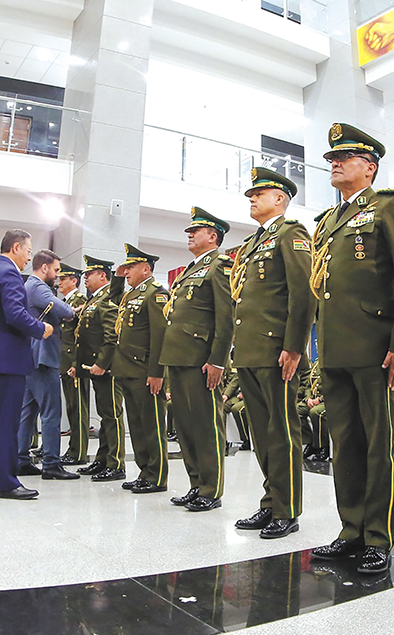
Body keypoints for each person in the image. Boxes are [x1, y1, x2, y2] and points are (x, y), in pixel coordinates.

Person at [307, 123, 394, 574]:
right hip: (335, 350)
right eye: (332, 159)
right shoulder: (328, 221)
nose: (334, 163)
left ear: (369, 166)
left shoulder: (390, 206)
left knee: (378, 444)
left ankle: (378, 536)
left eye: (345, 157)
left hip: (377, 348)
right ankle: (350, 530)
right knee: (346, 444)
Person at [231, 167, 314, 539]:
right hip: (249, 351)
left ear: (279, 198)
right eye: (250, 196)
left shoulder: (291, 233)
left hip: (276, 349)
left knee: (281, 432)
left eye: (258, 194)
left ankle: (287, 508)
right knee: (263, 435)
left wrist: (294, 345)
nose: (251, 199)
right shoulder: (251, 244)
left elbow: (303, 292)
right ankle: (270, 502)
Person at [161, 208, 235, 512]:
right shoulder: (190, 270)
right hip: (179, 358)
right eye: (189, 232)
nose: (190, 235)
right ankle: (195, 484)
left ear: (213, 236)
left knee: (205, 425)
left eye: (196, 231)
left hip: (201, 360)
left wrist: (218, 361)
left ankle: (211, 489)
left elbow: (226, 318)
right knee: (186, 426)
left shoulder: (219, 265)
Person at [0, 229, 52, 501]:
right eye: (28, 252)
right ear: (16, 247)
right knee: (7, 424)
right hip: (6, 360)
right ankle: (7, 483)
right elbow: (15, 314)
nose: (28, 257)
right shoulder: (8, 273)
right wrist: (40, 327)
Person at [112, 244, 171, 494]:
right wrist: (116, 278)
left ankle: (157, 476)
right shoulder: (131, 295)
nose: (127, 272)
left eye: (132, 267)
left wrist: (157, 372)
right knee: (136, 425)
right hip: (127, 370)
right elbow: (113, 301)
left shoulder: (155, 293)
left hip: (146, 371)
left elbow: (160, 336)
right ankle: (144, 471)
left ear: (146, 269)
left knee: (152, 425)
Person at [18, 249, 78, 480]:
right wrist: (72, 311)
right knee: (51, 412)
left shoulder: (28, 286)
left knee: (28, 411)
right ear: (44, 268)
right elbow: (59, 308)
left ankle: (21, 459)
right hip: (43, 358)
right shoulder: (37, 286)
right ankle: (52, 464)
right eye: (56, 270)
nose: (57, 275)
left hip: (31, 357)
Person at [74, 256, 128, 481]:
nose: (85, 278)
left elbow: (111, 336)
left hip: (108, 368)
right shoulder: (94, 299)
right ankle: (102, 460)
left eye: (90, 275)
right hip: (96, 367)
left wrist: (101, 364)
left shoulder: (108, 297)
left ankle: (116, 464)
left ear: (103, 276)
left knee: (112, 416)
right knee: (105, 415)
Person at [54, 264, 88, 465]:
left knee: (78, 408)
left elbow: (81, 335)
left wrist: (77, 362)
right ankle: (73, 448)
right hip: (64, 361)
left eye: (63, 279)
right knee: (71, 408)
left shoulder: (80, 301)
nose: (59, 283)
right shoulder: (65, 302)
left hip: (73, 362)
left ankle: (79, 451)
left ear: (73, 281)